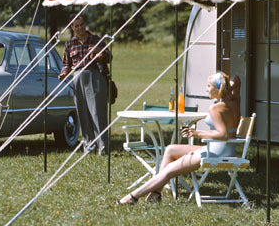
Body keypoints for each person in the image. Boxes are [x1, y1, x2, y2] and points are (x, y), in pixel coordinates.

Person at [119, 72, 241, 204]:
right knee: (171, 149)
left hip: (215, 152)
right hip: (227, 150)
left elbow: (223, 135)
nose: (206, 89)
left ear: (218, 89)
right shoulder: (235, 101)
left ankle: (132, 197)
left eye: (208, 86)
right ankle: (155, 193)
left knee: (168, 171)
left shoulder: (215, 108)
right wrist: (227, 85)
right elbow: (237, 79)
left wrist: (197, 133)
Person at [59, 15, 112, 155]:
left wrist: (99, 52)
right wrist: (64, 73)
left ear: (85, 24)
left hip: (94, 76)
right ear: (72, 27)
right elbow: (67, 64)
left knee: (97, 113)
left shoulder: (96, 39)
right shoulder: (69, 44)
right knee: (82, 113)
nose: (80, 28)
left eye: (81, 24)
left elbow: (109, 57)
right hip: (77, 78)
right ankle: (89, 147)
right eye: (76, 26)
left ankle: (103, 148)